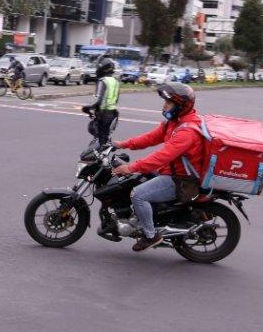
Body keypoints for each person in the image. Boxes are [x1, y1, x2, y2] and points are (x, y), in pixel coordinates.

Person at [111, 82, 207, 252]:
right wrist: (122, 144)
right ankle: (143, 218)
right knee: (135, 179)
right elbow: (150, 138)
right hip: (170, 170)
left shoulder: (187, 132)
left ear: (180, 106)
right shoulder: (174, 122)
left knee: (138, 194)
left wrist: (131, 167)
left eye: (168, 103)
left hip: (180, 179)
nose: (164, 105)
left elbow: (162, 157)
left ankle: (150, 235)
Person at [82, 57, 120, 146]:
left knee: (94, 131)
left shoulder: (102, 81)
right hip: (113, 114)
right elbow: (116, 99)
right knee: (105, 138)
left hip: (103, 115)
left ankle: (100, 156)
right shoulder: (115, 81)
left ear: (102, 68)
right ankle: (105, 154)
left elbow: (97, 101)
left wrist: (86, 108)